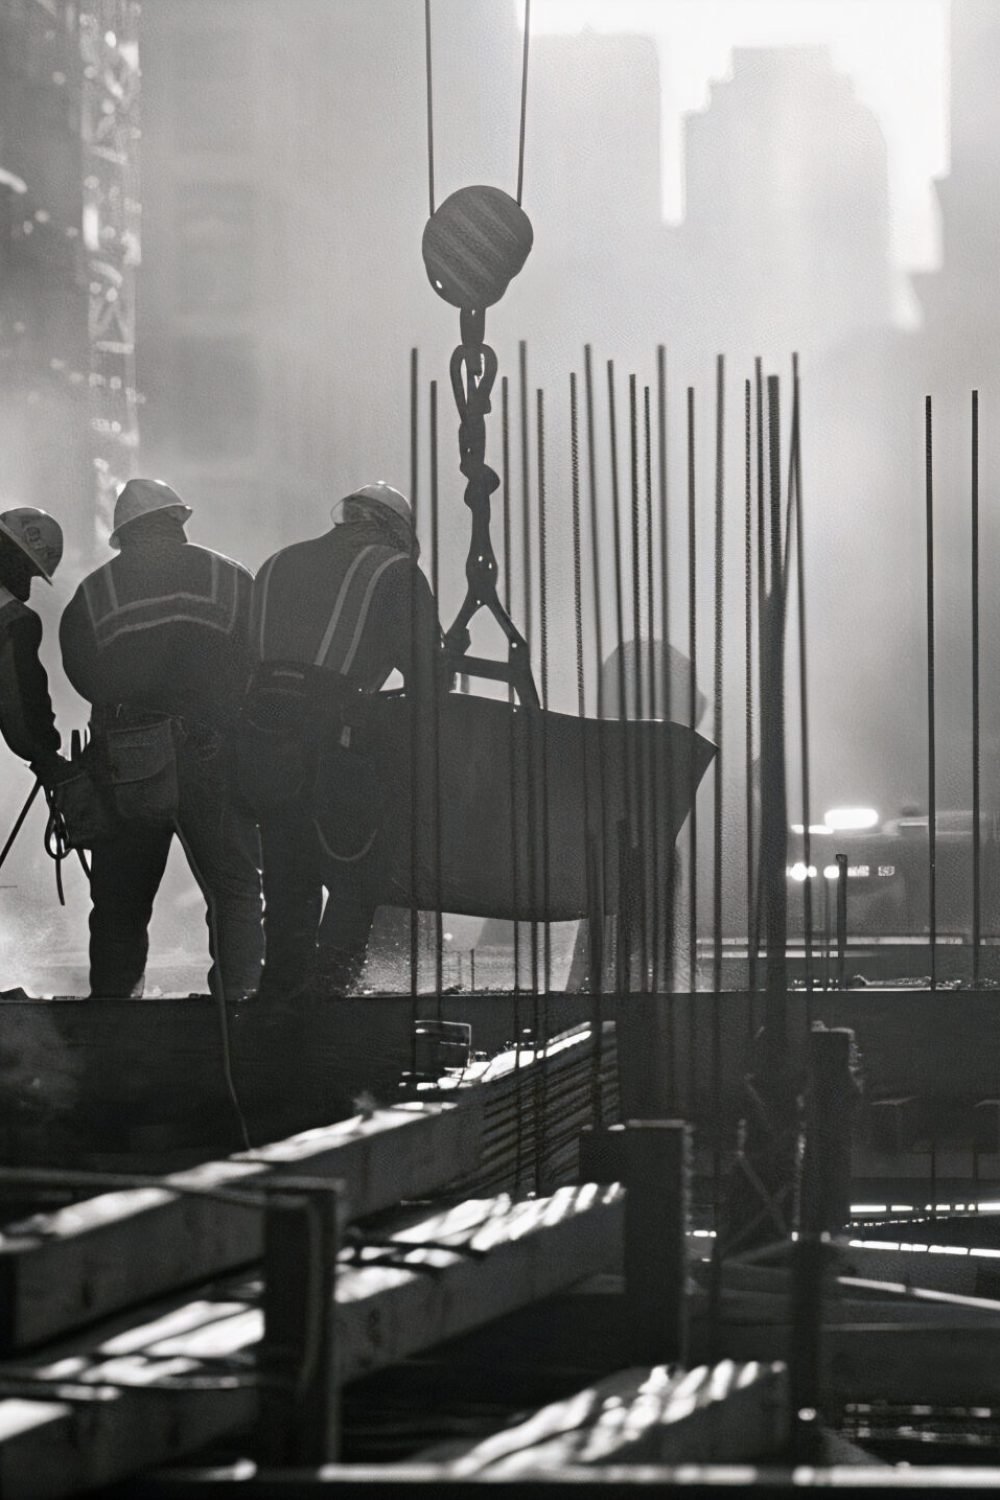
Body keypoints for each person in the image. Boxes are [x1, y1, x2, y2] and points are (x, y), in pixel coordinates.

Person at [59, 477, 263, 999]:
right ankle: (239, 1002)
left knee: (120, 899)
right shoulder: (229, 576)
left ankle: (115, 1012)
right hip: (211, 750)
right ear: (176, 519)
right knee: (233, 888)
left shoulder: (94, 593)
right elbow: (256, 658)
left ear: (123, 533)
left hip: (128, 759)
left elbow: (81, 671)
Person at [243, 481, 442, 998]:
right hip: (333, 738)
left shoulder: (277, 563)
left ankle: (281, 993)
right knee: (359, 863)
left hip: (262, 735)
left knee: (287, 874)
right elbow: (427, 676)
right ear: (397, 530)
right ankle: (332, 987)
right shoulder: (394, 571)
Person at [0, 507, 68, 787]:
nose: (26, 586)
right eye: (28, 571)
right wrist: (48, 756)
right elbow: (23, 716)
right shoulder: (13, 620)